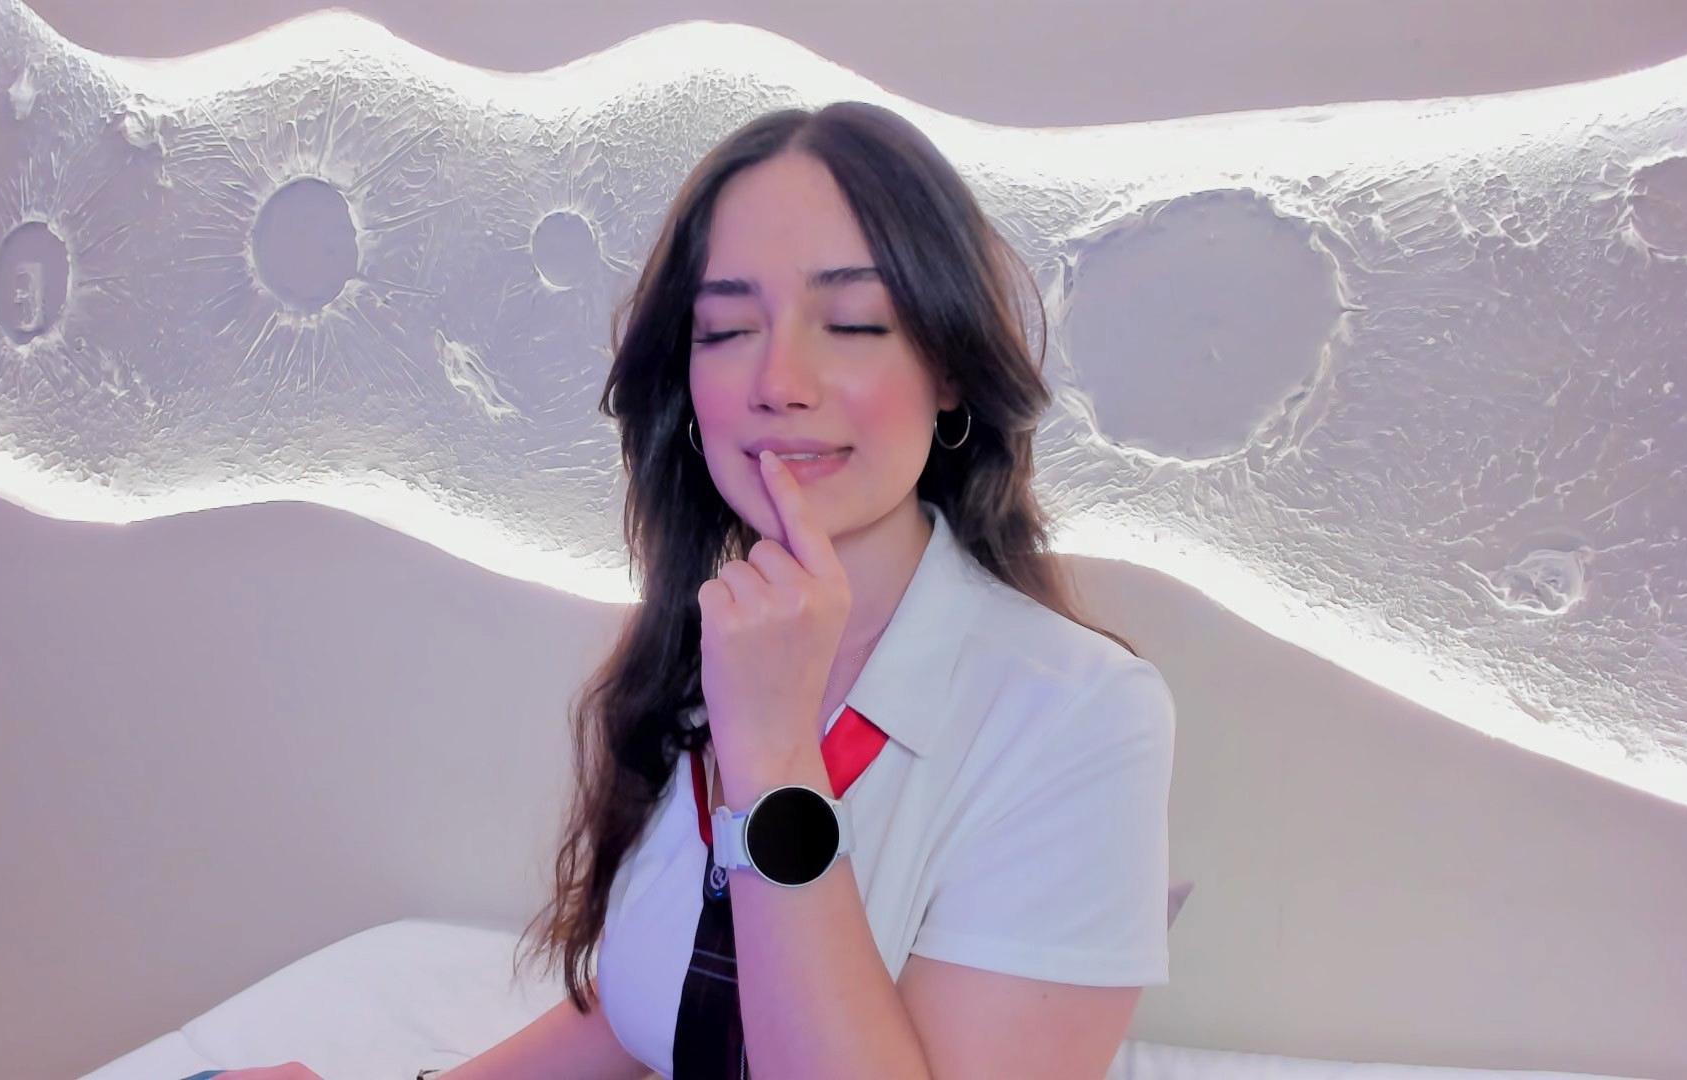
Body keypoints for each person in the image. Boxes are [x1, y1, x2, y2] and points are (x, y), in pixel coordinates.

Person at [448, 100, 1177, 1079]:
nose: (779, 380)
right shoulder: (712, 637)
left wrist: (776, 758)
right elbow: (646, 1007)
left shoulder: (1081, 715)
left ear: (949, 368)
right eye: (725, 329)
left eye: (853, 322)